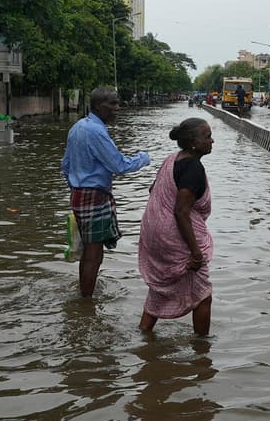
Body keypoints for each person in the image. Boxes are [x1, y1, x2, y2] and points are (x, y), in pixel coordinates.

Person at [61, 87, 151, 298]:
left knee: (88, 251)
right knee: (94, 254)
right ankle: (86, 303)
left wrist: (75, 187)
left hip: (79, 195)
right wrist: (143, 158)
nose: (117, 109)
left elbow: (65, 165)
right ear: (99, 105)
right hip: (94, 197)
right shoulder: (96, 131)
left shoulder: (78, 127)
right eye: (112, 104)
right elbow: (118, 165)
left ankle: (84, 296)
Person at [138, 118, 215, 336]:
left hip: (154, 233)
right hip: (174, 237)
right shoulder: (193, 169)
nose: (212, 141)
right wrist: (195, 253)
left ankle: (144, 334)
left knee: (161, 287)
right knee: (202, 295)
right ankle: (202, 351)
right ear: (193, 142)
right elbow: (181, 211)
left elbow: (154, 190)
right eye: (207, 137)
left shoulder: (172, 159)